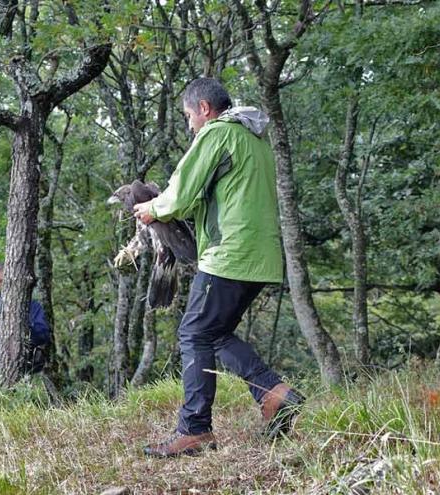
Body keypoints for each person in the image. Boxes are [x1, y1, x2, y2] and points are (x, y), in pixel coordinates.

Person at [133, 78, 304, 458]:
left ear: (204, 109)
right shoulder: (253, 139)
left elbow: (181, 193)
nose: (190, 124)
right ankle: (274, 393)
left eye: (188, 116)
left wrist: (151, 209)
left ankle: (194, 430)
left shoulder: (217, 133)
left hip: (230, 254)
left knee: (193, 333)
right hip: (260, 257)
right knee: (215, 333)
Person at [0, 262, 51, 366]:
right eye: (1, 281)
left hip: (26, 363)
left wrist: (22, 327)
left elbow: (43, 335)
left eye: (8, 281)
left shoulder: (32, 306)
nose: (5, 285)